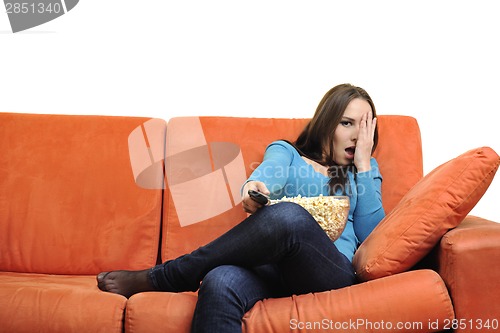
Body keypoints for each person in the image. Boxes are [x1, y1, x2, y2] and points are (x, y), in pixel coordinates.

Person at [97, 83, 385, 332]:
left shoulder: (362, 172)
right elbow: (268, 174)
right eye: (347, 123)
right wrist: (254, 188)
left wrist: (362, 164)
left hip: (328, 272)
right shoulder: (288, 153)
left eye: (364, 128)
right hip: (271, 271)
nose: (357, 136)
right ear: (326, 122)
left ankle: (169, 275)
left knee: (290, 217)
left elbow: (373, 236)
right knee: (218, 280)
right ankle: (187, 273)